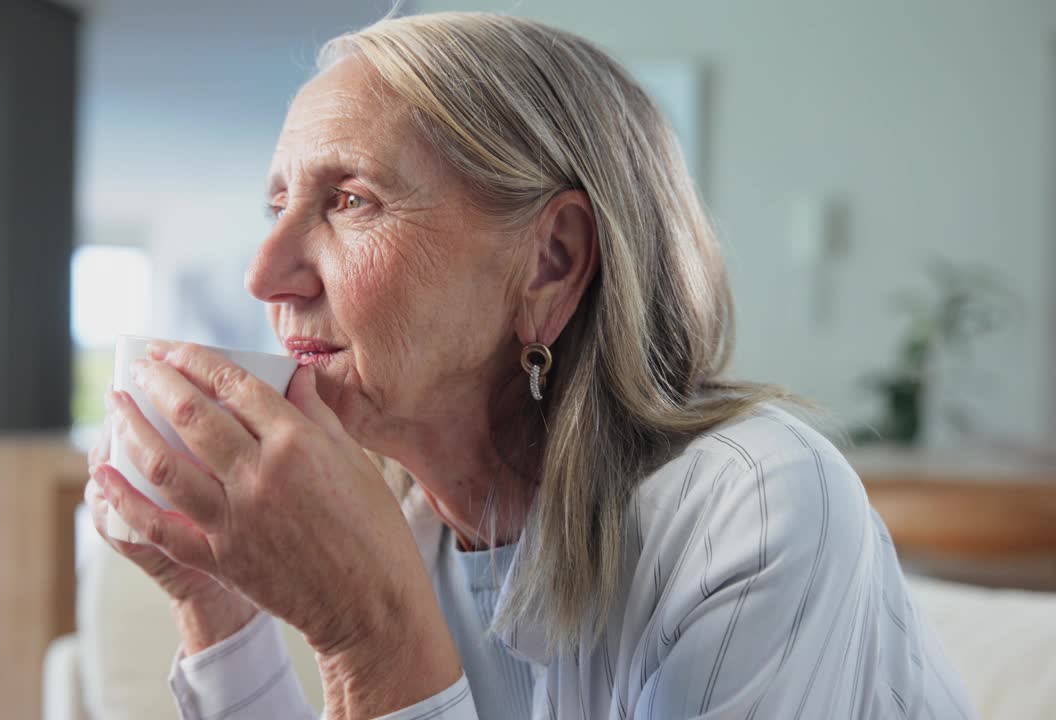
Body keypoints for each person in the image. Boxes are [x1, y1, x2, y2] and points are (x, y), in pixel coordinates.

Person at [85, 11, 976, 719]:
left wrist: (374, 645)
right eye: (277, 203)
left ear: (550, 262)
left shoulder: (753, 506)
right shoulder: (417, 527)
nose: (263, 273)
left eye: (351, 200)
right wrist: (214, 604)